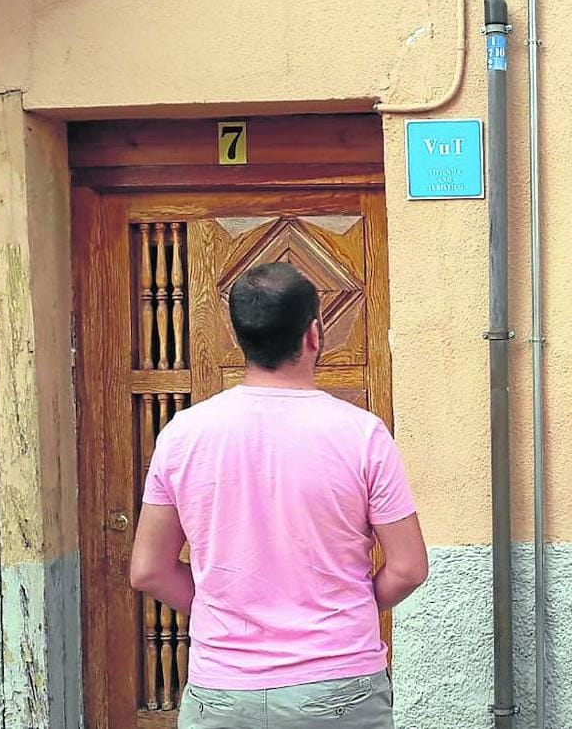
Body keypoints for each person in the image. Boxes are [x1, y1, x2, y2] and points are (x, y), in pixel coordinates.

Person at [130, 261, 428, 729]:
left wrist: (222, 611)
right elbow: (409, 567)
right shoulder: (362, 435)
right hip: (338, 683)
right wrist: (343, 610)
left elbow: (148, 569)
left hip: (222, 690)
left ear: (240, 339)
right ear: (314, 335)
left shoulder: (182, 435)